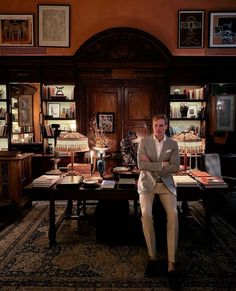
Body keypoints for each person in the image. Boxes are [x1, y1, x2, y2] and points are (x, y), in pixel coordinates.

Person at [137, 114, 180, 278]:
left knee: (174, 215)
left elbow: (175, 167)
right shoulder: (144, 142)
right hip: (147, 185)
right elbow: (141, 165)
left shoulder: (173, 144)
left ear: (166, 126)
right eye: (155, 125)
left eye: (161, 125)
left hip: (166, 185)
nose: (158, 129)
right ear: (152, 126)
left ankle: (172, 263)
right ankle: (152, 258)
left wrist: (151, 165)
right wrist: (163, 164)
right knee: (146, 215)